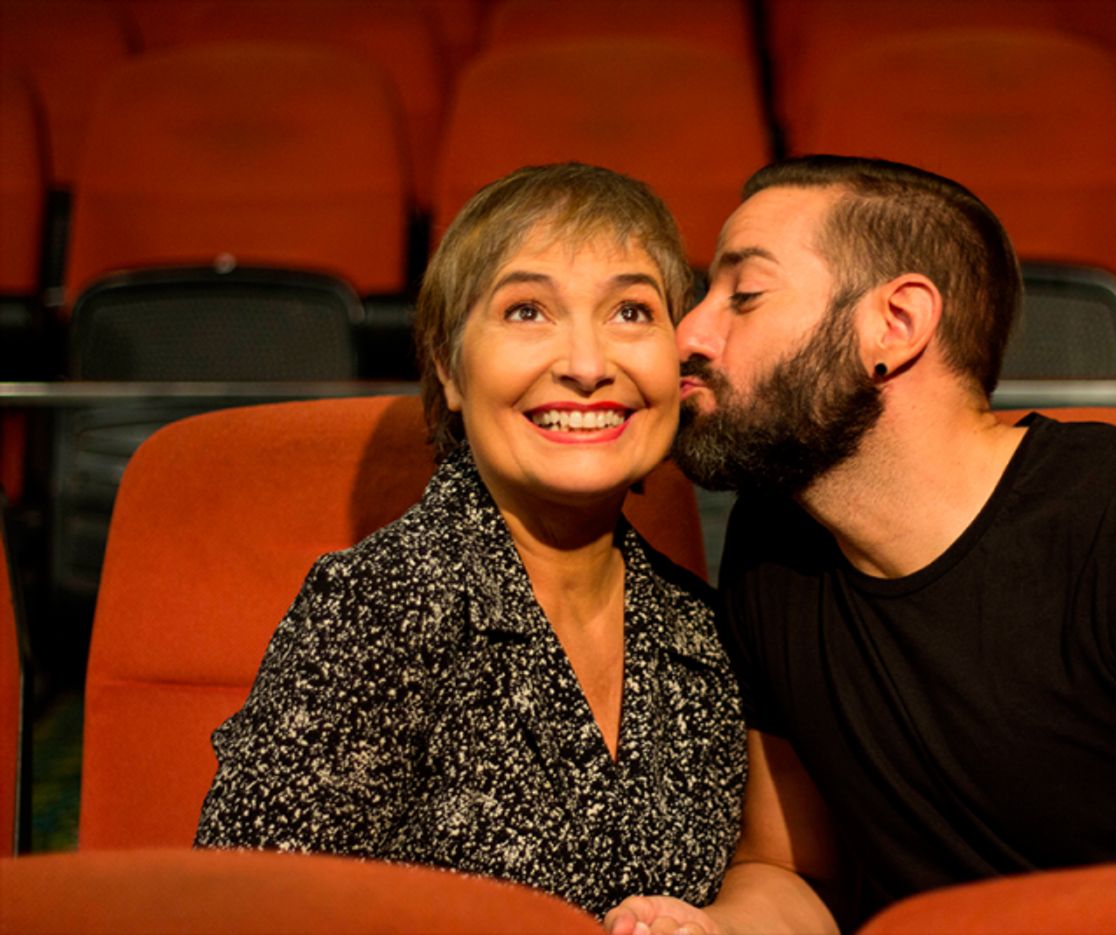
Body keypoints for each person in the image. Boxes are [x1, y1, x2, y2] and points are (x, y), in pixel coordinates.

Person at [605, 156, 1116, 934]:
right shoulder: (773, 542)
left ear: (897, 323)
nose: (687, 335)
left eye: (743, 294)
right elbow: (795, 870)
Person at [195, 163, 746, 918]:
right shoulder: (377, 610)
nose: (587, 365)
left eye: (631, 312)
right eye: (527, 311)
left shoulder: (705, 630)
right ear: (450, 369)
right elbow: (240, 912)